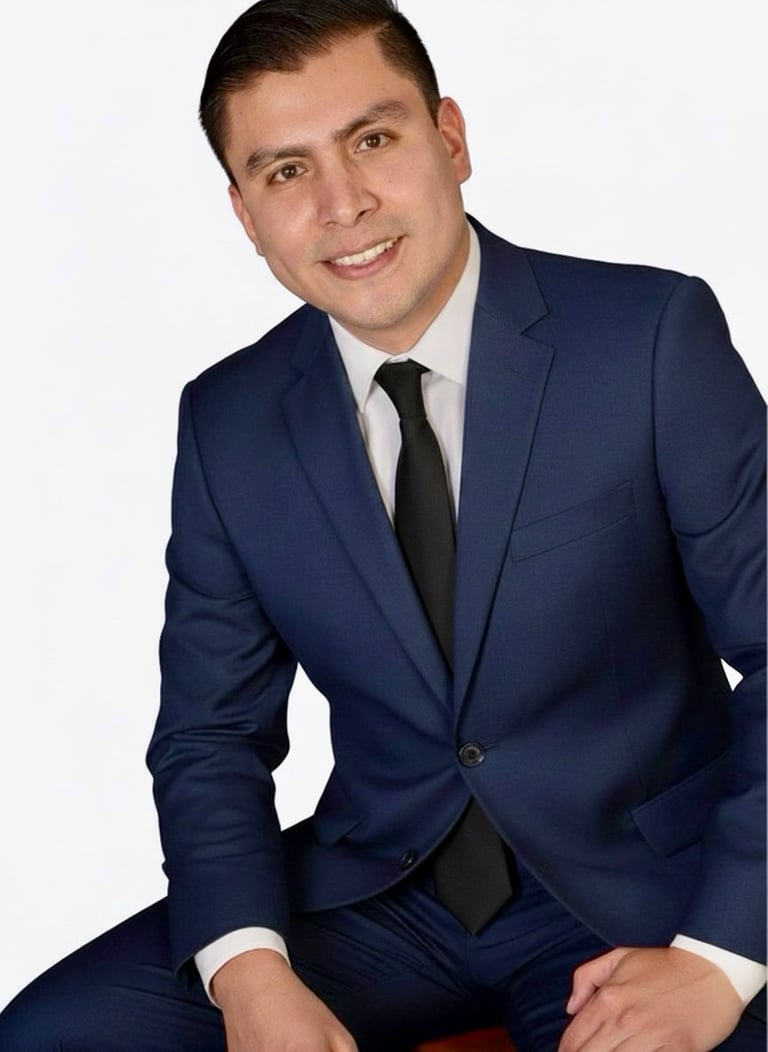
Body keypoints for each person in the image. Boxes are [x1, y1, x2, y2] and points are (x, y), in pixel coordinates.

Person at [1, 0, 764, 1048]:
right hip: (383, 896)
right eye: (286, 172)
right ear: (244, 213)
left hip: (642, 890)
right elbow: (211, 733)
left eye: (372, 140)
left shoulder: (648, 339)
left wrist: (721, 960)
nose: (343, 204)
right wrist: (249, 969)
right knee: (48, 1035)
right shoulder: (228, 420)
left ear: (450, 138)